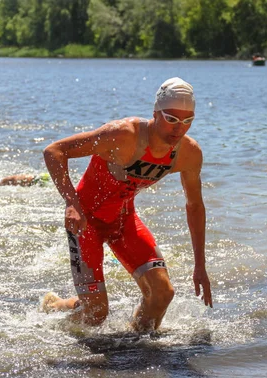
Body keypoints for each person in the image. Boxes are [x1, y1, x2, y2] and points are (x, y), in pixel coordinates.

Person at [41, 77, 212, 332]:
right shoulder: (122, 135)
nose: (179, 128)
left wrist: (200, 265)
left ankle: (137, 342)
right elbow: (54, 151)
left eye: (188, 121)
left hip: (123, 221)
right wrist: (71, 203)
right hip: (86, 223)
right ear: (155, 113)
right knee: (96, 315)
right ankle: (58, 307)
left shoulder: (188, 153)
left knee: (162, 294)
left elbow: (195, 206)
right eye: (172, 118)